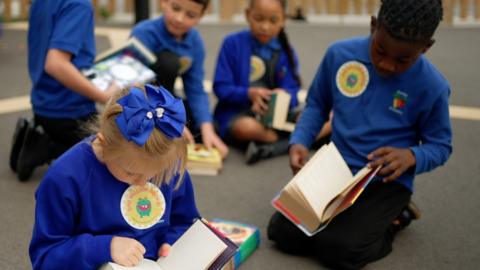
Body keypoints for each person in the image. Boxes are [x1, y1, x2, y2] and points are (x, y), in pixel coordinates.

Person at [267, 0, 452, 269]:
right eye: (380, 50)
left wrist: (412, 155)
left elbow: (441, 146)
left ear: (426, 47)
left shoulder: (433, 86)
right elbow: (317, 105)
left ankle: (397, 218)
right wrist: (300, 140)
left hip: (385, 182)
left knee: (340, 250)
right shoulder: (339, 54)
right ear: (373, 25)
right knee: (282, 234)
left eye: (403, 60)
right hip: (336, 171)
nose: (387, 65)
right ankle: (347, 221)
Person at [29, 84, 200, 270]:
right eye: (131, 173)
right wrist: (105, 247)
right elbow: (46, 257)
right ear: (104, 143)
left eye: (154, 174)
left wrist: (173, 242)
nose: (143, 183)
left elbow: (184, 222)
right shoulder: (64, 177)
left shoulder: (167, 163)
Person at [9, 0, 118, 181]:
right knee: (113, 155)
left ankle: (42, 139)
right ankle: (46, 146)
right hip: (69, 110)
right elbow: (55, 64)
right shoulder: (79, 4)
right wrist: (103, 96)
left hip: (43, 103)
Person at [130, 0, 228, 158]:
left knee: (205, 126)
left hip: (168, 97)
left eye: (190, 15)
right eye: (175, 8)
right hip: (141, 102)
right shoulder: (143, 32)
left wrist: (207, 128)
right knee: (169, 62)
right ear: (164, 2)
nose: (180, 19)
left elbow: (195, 89)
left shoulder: (195, 42)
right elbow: (134, 87)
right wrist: (169, 118)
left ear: (200, 16)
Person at [213, 0, 303, 164]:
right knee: (246, 128)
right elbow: (220, 87)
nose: (265, 27)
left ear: (284, 20)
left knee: (317, 118)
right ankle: (289, 142)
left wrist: (283, 96)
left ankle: (272, 143)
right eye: (259, 18)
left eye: (273, 20)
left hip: (276, 117)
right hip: (238, 113)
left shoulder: (286, 51)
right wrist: (248, 94)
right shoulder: (232, 43)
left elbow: (294, 91)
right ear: (248, 15)